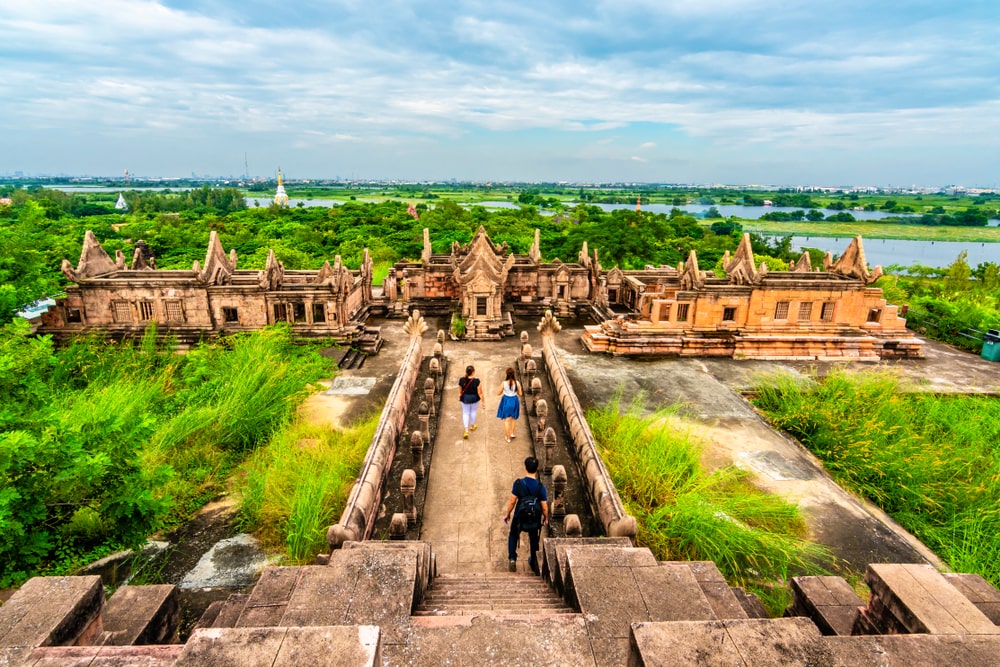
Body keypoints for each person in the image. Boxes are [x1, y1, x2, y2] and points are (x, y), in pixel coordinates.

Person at [502, 456, 548, 574]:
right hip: (534, 518)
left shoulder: (518, 484)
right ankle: (533, 561)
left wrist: (507, 514)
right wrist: (545, 518)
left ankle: (512, 559)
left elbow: (512, 501)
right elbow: (544, 506)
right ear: (537, 469)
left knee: (513, 534)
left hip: (519, 517)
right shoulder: (540, 487)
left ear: (525, 468)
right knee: (534, 539)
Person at [495, 367, 522, 443]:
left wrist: (505, 391)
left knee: (506, 421)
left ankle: (508, 438)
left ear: (506, 374)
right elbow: (520, 394)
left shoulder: (504, 383)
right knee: (513, 418)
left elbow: (498, 393)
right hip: (514, 400)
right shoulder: (517, 383)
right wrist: (515, 391)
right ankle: (512, 433)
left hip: (506, 401)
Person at [457, 365, 483, 439]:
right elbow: (479, 392)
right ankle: (472, 426)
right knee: (473, 412)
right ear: (473, 372)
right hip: (474, 398)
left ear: (466, 372)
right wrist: (483, 401)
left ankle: (466, 430)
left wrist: (460, 395)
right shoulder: (476, 381)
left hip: (465, 398)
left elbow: (460, 391)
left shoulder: (462, 380)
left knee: (465, 413)